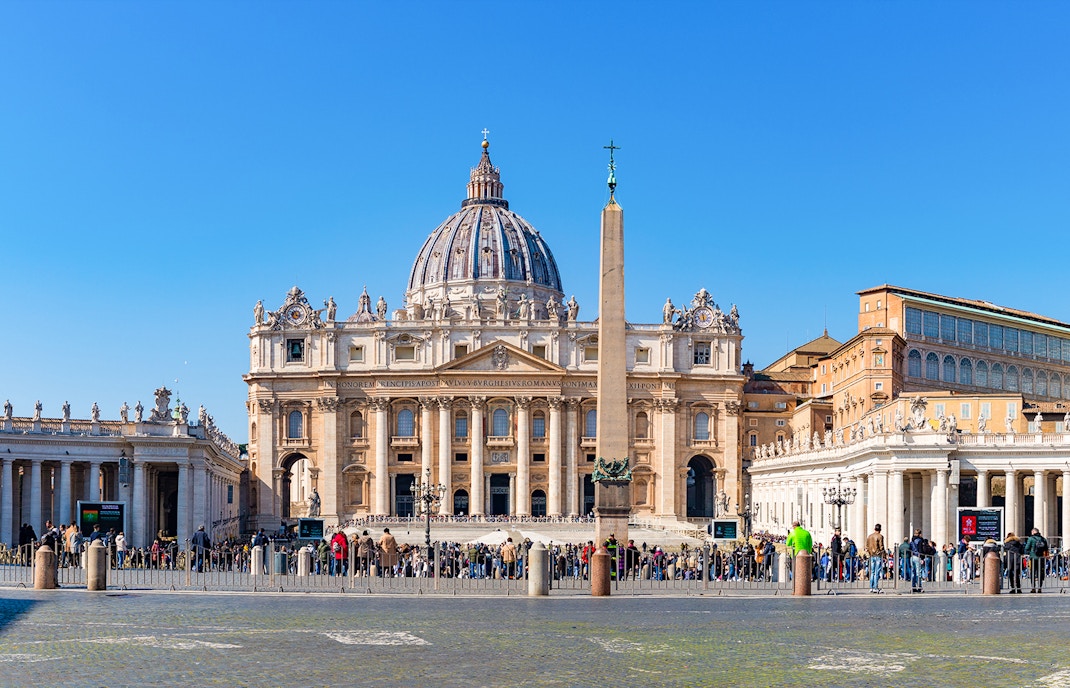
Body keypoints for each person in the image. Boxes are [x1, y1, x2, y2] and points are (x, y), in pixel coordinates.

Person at [1025, 527, 1049, 593]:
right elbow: (1046, 548)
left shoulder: (1031, 539)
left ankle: (1033, 588)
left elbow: (1027, 548)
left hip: (1033, 557)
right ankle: (1040, 588)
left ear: (1033, 532)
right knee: (1040, 573)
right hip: (1041, 558)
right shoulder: (1043, 539)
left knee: (1033, 572)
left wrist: (1028, 552)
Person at [866, 524, 885, 593]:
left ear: (874, 529)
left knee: (872, 572)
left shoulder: (870, 536)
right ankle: (875, 587)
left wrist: (869, 552)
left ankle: (871, 587)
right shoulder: (880, 536)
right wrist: (884, 555)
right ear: (880, 529)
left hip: (871, 555)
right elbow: (881, 546)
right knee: (877, 571)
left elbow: (867, 546)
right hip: (878, 555)